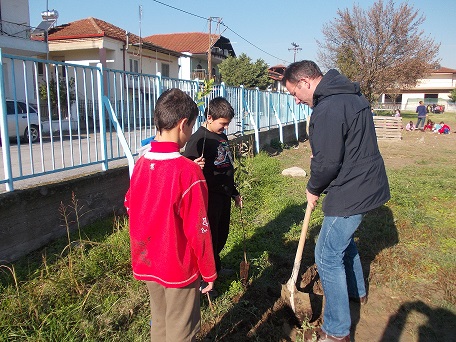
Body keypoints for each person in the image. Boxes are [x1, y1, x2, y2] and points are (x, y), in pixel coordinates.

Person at [282, 60, 390, 342]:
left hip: (352, 190)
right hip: (366, 183)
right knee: (343, 242)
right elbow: (343, 146)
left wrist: (313, 186)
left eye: (294, 92)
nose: (296, 99)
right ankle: (356, 293)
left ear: (305, 82)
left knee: (327, 255)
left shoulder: (328, 107)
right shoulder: (350, 95)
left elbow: (328, 162)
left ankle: (337, 330)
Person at [124, 88, 217, 341]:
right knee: (181, 329)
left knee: (161, 320)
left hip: (147, 261)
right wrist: (209, 271)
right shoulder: (188, 172)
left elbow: (130, 205)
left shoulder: (141, 164)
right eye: (192, 126)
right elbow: (199, 228)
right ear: (183, 124)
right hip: (178, 266)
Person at [183, 97, 242, 295]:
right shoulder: (198, 138)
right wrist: (193, 165)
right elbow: (186, 166)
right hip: (208, 197)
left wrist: (234, 192)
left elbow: (227, 166)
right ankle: (202, 280)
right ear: (209, 117)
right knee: (209, 236)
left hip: (224, 194)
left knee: (221, 234)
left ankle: (214, 266)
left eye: (227, 124)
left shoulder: (222, 137)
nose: (225, 127)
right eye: (222, 123)